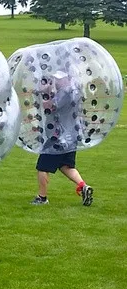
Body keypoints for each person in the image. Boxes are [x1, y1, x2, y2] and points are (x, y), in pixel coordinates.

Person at [32, 71, 93, 206]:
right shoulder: (75, 91)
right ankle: (83, 186)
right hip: (71, 136)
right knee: (66, 166)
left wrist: (45, 93)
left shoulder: (64, 93)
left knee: (42, 167)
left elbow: (50, 107)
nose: (55, 82)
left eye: (57, 79)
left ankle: (42, 197)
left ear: (65, 79)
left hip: (58, 137)